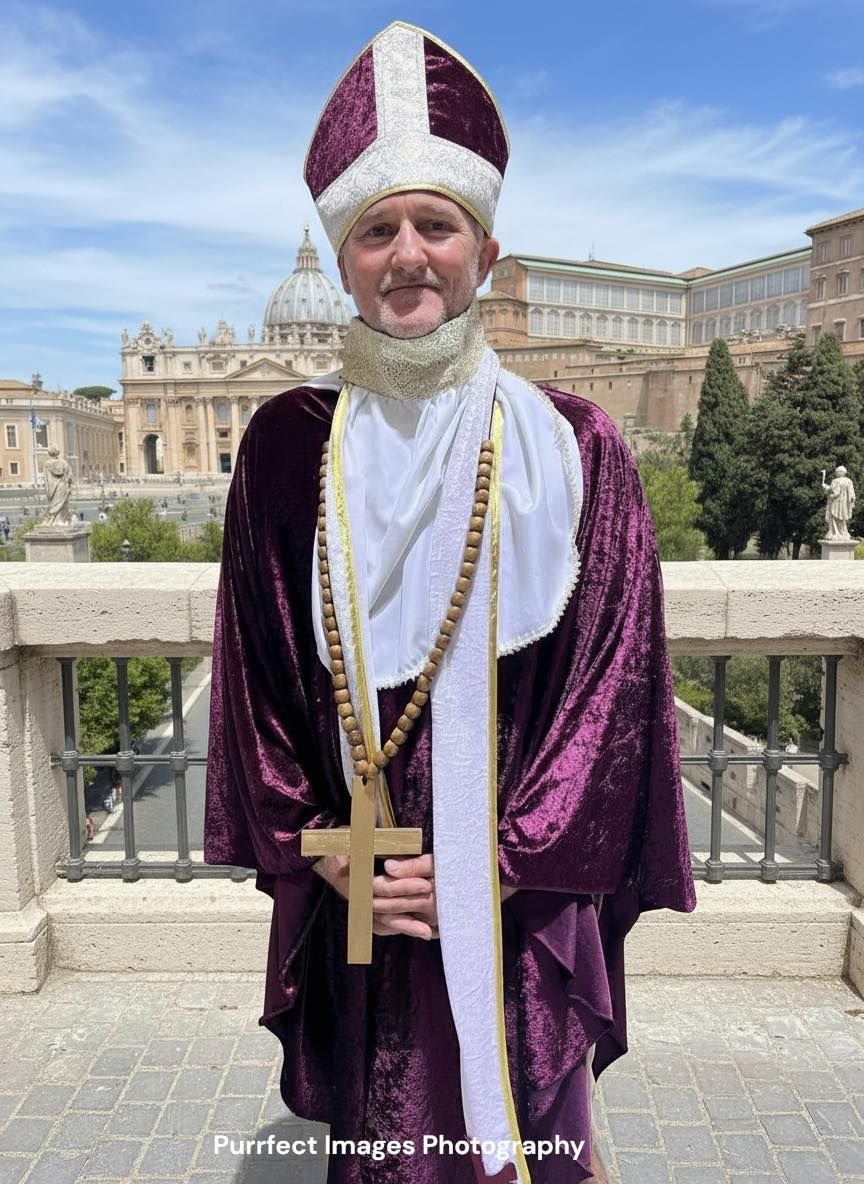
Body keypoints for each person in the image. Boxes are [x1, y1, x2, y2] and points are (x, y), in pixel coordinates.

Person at [204, 21, 695, 1184]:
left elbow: (613, 688)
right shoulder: (284, 445)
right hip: (362, 881)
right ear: (342, 258)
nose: (409, 254)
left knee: (523, 1132)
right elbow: (259, 677)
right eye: (379, 230)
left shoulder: (577, 444)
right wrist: (319, 843)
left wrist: (501, 857)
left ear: (485, 248)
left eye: (437, 225)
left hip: (516, 896)